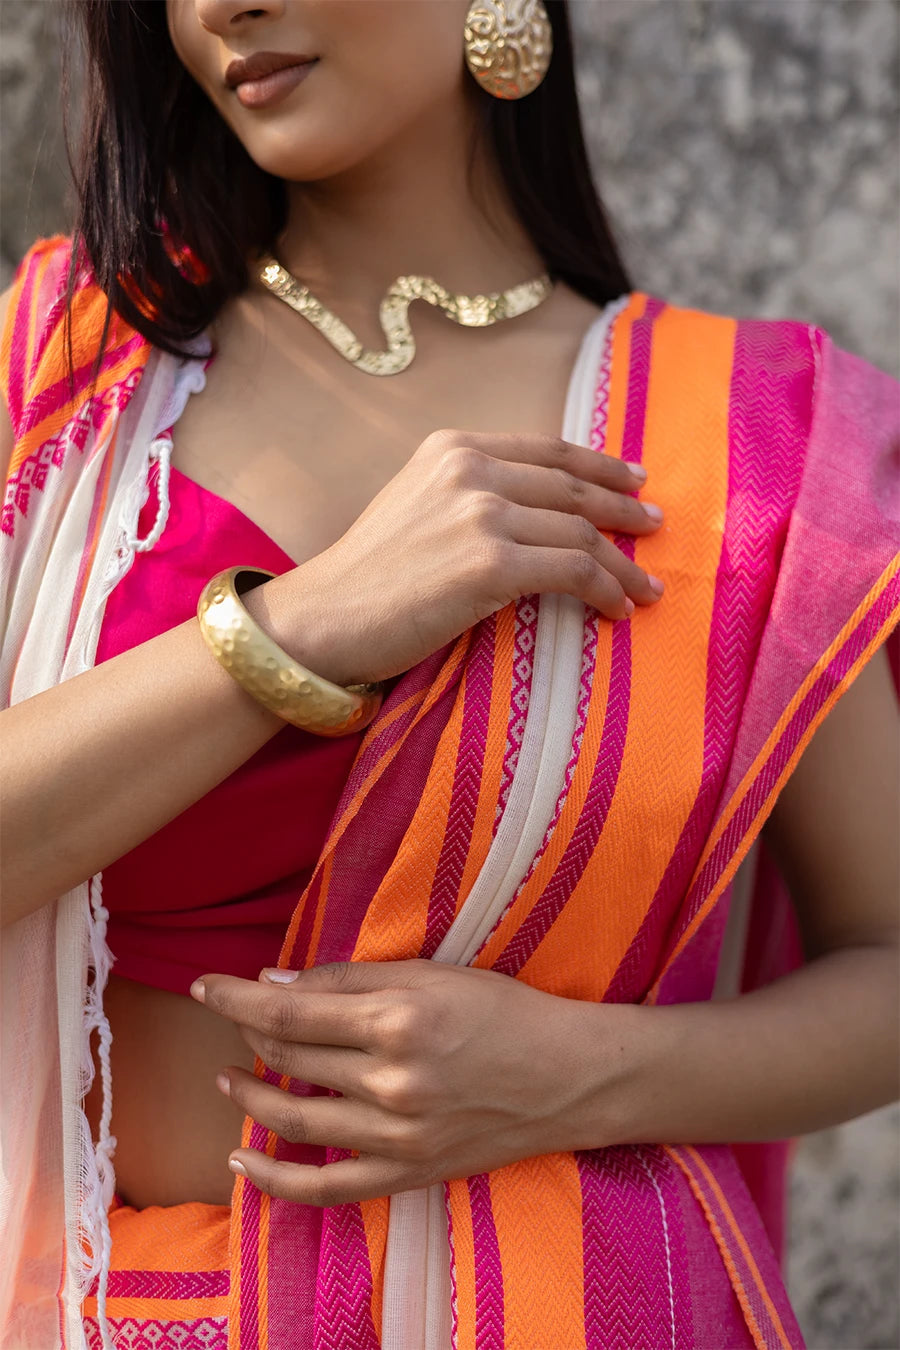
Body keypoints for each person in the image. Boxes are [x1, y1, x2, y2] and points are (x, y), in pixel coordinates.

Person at [0, 1, 897, 1347]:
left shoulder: (749, 446)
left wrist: (589, 1076)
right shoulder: (69, 374)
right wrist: (299, 628)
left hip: (580, 1307)